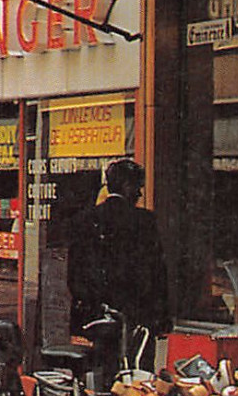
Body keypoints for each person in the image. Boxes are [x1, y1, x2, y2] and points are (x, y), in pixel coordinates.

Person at [67, 158, 170, 371]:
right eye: (138, 188)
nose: (140, 194)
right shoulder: (144, 222)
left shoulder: (85, 219)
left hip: (94, 317)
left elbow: (74, 274)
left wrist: (91, 304)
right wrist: (161, 317)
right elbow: (157, 273)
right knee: (136, 380)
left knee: (96, 376)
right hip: (136, 316)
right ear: (127, 186)